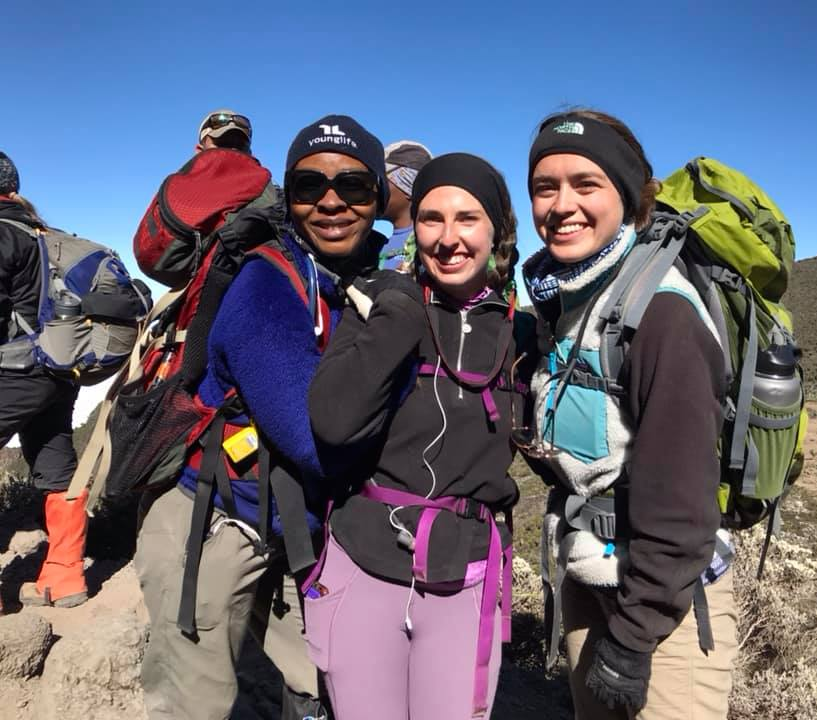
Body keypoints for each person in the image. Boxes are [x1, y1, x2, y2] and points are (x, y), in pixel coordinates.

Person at [133, 115, 389, 720]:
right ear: (288, 197)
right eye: (308, 186)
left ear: (379, 197)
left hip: (296, 525)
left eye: (353, 186)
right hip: (215, 527)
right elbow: (313, 438)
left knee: (318, 681)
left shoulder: (359, 278)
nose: (331, 202)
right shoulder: (266, 284)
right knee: (195, 703)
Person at [520, 110, 738, 719]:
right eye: (545, 186)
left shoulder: (663, 314)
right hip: (590, 577)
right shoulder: (570, 302)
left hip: (663, 608)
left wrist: (635, 638)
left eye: (586, 184)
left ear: (626, 195)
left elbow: (683, 505)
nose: (562, 205)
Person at [304, 152, 533, 720]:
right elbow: (332, 422)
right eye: (432, 218)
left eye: (468, 219)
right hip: (364, 560)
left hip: (465, 571)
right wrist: (401, 309)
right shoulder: (382, 305)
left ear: (497, 231)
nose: (448, 238)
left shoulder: (522, 332)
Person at [0, 151, 88, 612]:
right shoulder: (43, 235)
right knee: (56, 465)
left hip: (13, 370)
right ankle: (65, 577)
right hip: (59, 372)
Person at [379, 140, 433, 269]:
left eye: (382, 181)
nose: (375, 189)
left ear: (408, 187)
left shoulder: (428, 245)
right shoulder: (373, 244)